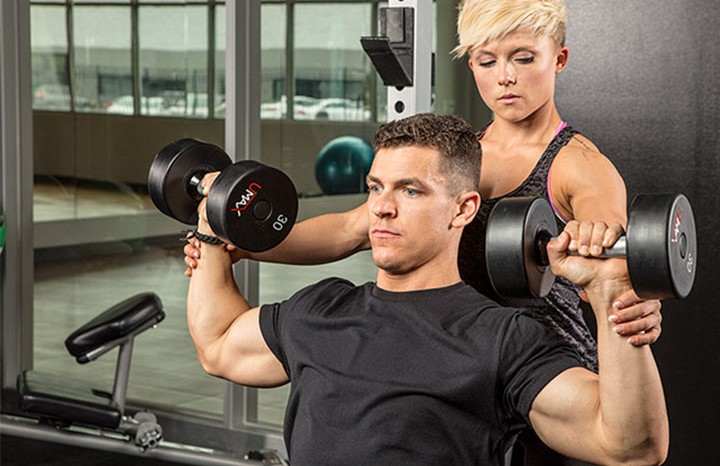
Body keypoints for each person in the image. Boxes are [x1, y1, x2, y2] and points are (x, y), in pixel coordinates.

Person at [185, 0, 663, 369]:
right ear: (470, 63)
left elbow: (610, 254)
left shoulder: (579, 166)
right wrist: (241, 245)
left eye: (524, 58)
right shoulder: (455, 155)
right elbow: (352, 229)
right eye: (487, 60)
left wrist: (625, 290)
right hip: (460, 358)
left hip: (543, 368)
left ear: (557, 59)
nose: (506, 76)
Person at [186, 113, 668, 465]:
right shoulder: (322, 308)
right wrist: (211, 228)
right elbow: (219, 343)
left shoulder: (501, 339)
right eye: (376, 188)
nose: (382, 208)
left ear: (463, 210)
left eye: (410, 191)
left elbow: (629, 445)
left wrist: (611, 295)